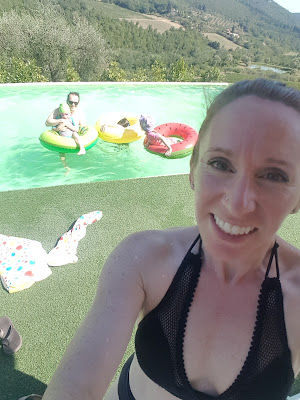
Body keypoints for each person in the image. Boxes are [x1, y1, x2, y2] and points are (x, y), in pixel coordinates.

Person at [42, 79, 300, 400]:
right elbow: (76, 388)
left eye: (274, 175)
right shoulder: (144, 258)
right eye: (220, 163)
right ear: (193, 170)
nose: (238, 202)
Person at [45, 92, 87, 173]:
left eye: (76, 103)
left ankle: (82, 150)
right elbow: (47, 123)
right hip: (62, 136)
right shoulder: (59, 110)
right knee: (61, 152)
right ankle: (66, 167)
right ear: (67, 101)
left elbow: (83, 129)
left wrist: (69, 126)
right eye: (71, 102)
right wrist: (61, 121)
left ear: (79, 103)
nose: (73, 105)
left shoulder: (79, 113)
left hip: (72, 134)